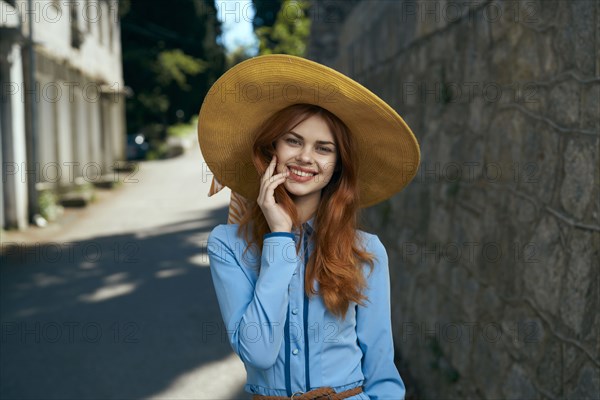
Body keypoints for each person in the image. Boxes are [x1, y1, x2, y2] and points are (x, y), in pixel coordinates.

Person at [198, 55, 420, 400]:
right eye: (293, 140)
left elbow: (382, 369)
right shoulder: (227, 244)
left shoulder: (366, 250)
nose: (305, 157)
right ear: (272, 147)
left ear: (338, 165)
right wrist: (279, 239)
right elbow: (258, 352)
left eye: (324, 148)